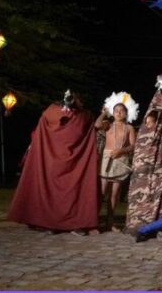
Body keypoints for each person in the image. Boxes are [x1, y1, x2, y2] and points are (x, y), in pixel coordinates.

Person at [8, 90, 100, 235]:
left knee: (71, 191)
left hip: (74, 161)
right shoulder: (57, 113)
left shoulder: (80, 116)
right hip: (53, 158)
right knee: (52, 192)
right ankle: (50, 223)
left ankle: (74, 223)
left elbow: (86, 129)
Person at [125, 75, 162, 235]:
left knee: (160, 194)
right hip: (143, 171)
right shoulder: (143, 133)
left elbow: (161, 108)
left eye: (152, 121)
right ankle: (137, 223)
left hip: (158, 169)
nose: (149, 123)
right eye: (147, 121)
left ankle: (160, 226)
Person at [95, 95, 138, 232]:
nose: (119, 113)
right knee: (102, 192)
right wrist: (103, 113)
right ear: (112, 113)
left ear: (126, 113)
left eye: (121, 110)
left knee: (114, 194)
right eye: (116, 110)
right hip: (107, 159)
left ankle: (110, 222)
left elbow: (133, 146)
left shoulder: (129, 128)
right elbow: (96, 125)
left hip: (121, 160)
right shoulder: (108, 125)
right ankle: (94, 221)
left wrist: (121, 151)